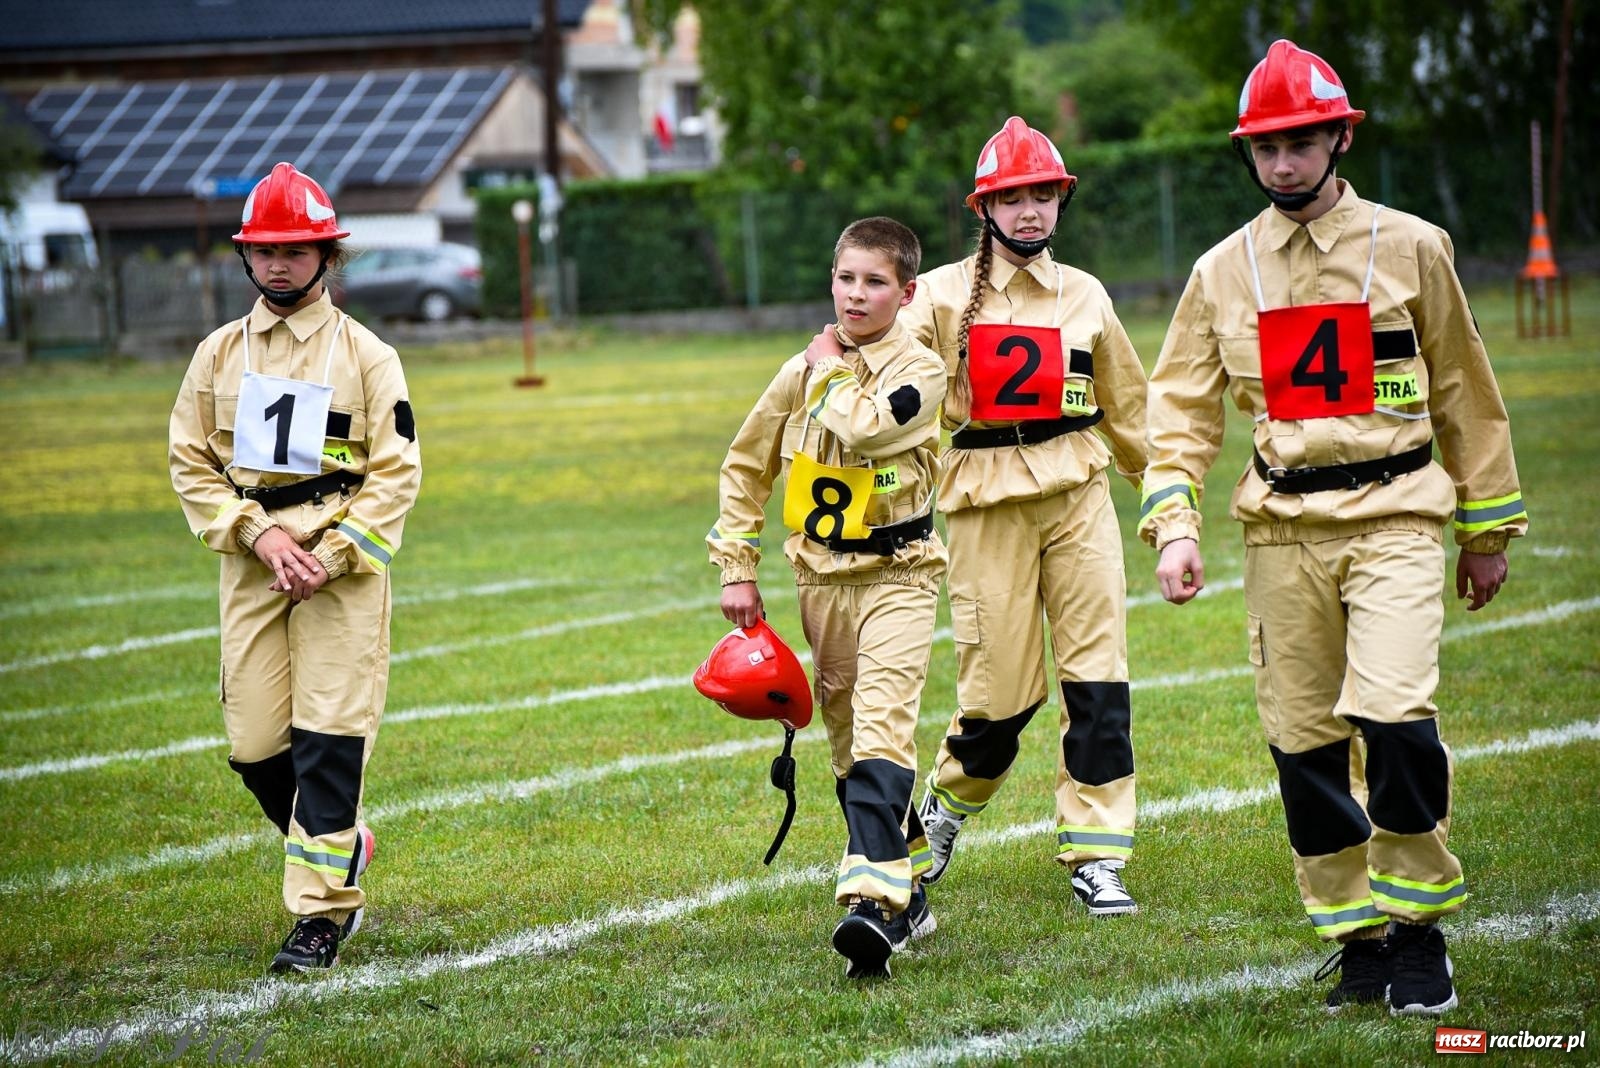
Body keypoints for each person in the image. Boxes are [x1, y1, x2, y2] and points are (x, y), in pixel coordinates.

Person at [1140, 40, 1526, 1015]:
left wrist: (1485, 532)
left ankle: (1418, 933)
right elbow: (1178, 412)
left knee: (1394, 718)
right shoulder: (1220, 271)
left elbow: (1466, 398)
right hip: (1281, 534)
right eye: (1264, 148)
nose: (1281, 165)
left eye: (1300, 143)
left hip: (1395, 517)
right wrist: (1175, 525)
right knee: (1304, 746)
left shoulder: (1413, 247)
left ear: (1339, 136)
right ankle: (1355, 938)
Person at [840, 117, 1149, 917]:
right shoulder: (937, 295)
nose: (1029, 212)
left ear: (1060, 199)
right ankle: (945, 807)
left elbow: (1130, 408)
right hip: (981, 502)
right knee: (998, 700)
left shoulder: (1086, 294)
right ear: (985, 206)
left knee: (1098, 684)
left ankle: (1097, 854)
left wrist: (1167, 501)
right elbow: (880, 377)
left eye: (1042, 194)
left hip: (1079, 496)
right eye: (1011, 198)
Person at [169, 162, 422, 973]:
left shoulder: (369, 356)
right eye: (265, 250)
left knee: (327, 742)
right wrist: (257, 534)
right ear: (247, 257)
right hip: (254, 565)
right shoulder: (216, 354)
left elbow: (397, 473)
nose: (279, 264)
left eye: (297, 249)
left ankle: (321, 916)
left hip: (340, 573)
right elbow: (189, 462)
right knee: (252, 745)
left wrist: (333, 552)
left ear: (327, 255)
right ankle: (341, 847)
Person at [708, 216, 947, 979]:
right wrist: (735, 565)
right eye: (846, 278)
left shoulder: (922, 370)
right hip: (821, 580)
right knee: (847, 739)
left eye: (875, 282)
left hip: (901, 571)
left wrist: (827, 372)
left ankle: (871, 906)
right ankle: (907, 881)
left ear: (906, 294)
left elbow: (872, 430)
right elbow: (744, 468)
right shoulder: (799, 371)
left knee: (882, 721)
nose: (856, 294)